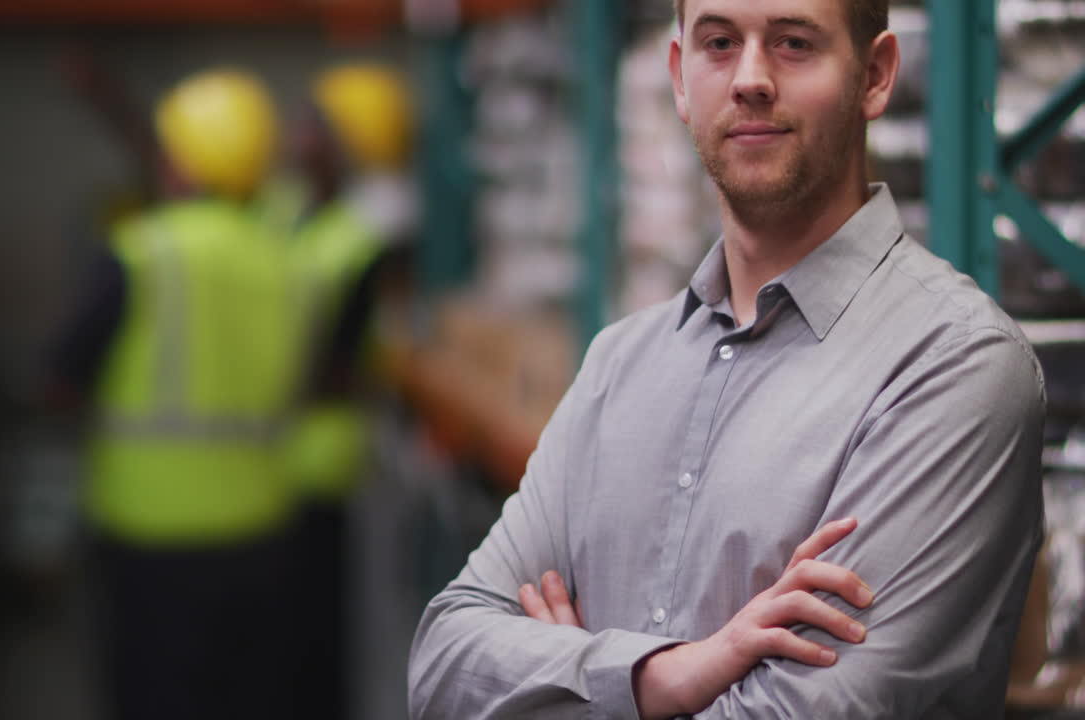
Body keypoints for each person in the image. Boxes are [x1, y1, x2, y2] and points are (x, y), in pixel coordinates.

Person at [406, 0, 1047, 718]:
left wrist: (567, 681)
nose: (750, 78)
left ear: (875, 75)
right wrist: (662, 676)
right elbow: (442, 665)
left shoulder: (952, 368)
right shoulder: (619, 365)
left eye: (794, 43)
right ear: (679, 77)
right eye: (718, 42)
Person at [45, 68, 308, 720]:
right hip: (261, 529)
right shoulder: (288, 261)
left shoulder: (141, 254)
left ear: (179, 164)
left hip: (151, 538)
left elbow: (58, 381)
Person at [271, 62, 418, 720]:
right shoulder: (301, 213)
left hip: (335, 463)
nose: (298, 138)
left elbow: (349, 364)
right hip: (279, 464)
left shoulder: (376, 236)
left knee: (333, 643)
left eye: (316, 127)